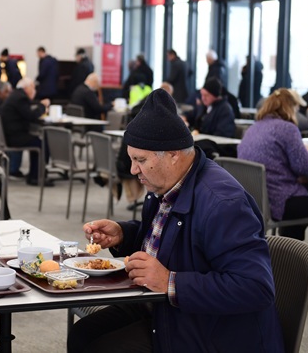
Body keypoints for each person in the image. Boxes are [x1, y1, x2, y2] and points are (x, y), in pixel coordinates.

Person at [69, 88, 283, 352]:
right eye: (132, 159)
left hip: (212, 329)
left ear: (172, 154)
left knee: (104, 348)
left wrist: (170, 281)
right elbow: (172, 241)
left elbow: (256, 288)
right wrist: (124, 234)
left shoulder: (223, 204)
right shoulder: (165, 184)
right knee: (82, 335)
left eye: (140, 160)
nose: (133, 170)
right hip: (165, 305)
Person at [238, 88, 308, 280]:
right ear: (290, 107)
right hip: (279, 201)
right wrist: (302, 163)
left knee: (304, 194)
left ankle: (291, 261)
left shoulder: (254, 128)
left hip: (257, 201)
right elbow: (305, 166)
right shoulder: (287, 129)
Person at [0, 77, 51, 186]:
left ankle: (34, 174)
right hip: (15, 137)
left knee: (38, 141)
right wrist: (42, 106)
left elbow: (26, 111)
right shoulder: (21, 98)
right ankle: (36, 176)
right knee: (41, 144)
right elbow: (31, 116)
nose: (34, 90)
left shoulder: (16, 95)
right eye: (33, 87)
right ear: (27, 88)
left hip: (9, 134)